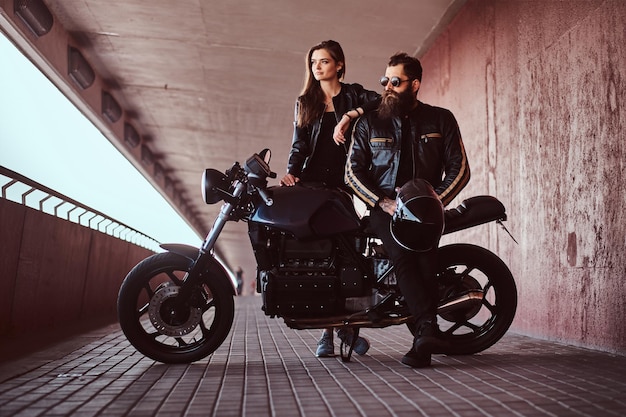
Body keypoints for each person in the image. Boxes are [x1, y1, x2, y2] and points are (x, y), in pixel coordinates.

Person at [345, 52, 470, 368]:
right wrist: (382, 202)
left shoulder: (441, 119)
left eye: (395, 81)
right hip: (384, 209)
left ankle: (423, 342)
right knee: (402, 254)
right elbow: (352, 172)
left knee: (426, 262)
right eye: (384, 80)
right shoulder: (369, 123)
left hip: (426, 210)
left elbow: (460, 169)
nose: (387, 86)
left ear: (414, 84)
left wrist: (435, 201)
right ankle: (427, 328)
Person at [279, 40, 379, 358]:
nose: (317, 67)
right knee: (321, 260)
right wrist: (291, 173)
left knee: (349, 256)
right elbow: (299, 145)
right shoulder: (304, 101)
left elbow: (380, 101)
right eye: (313, 62)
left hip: (345, 186)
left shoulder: (352, 94)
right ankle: (326, 335)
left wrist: (349, 115)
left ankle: (348, 330)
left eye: (323, 61)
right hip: (312, 187)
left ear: (339, 65)